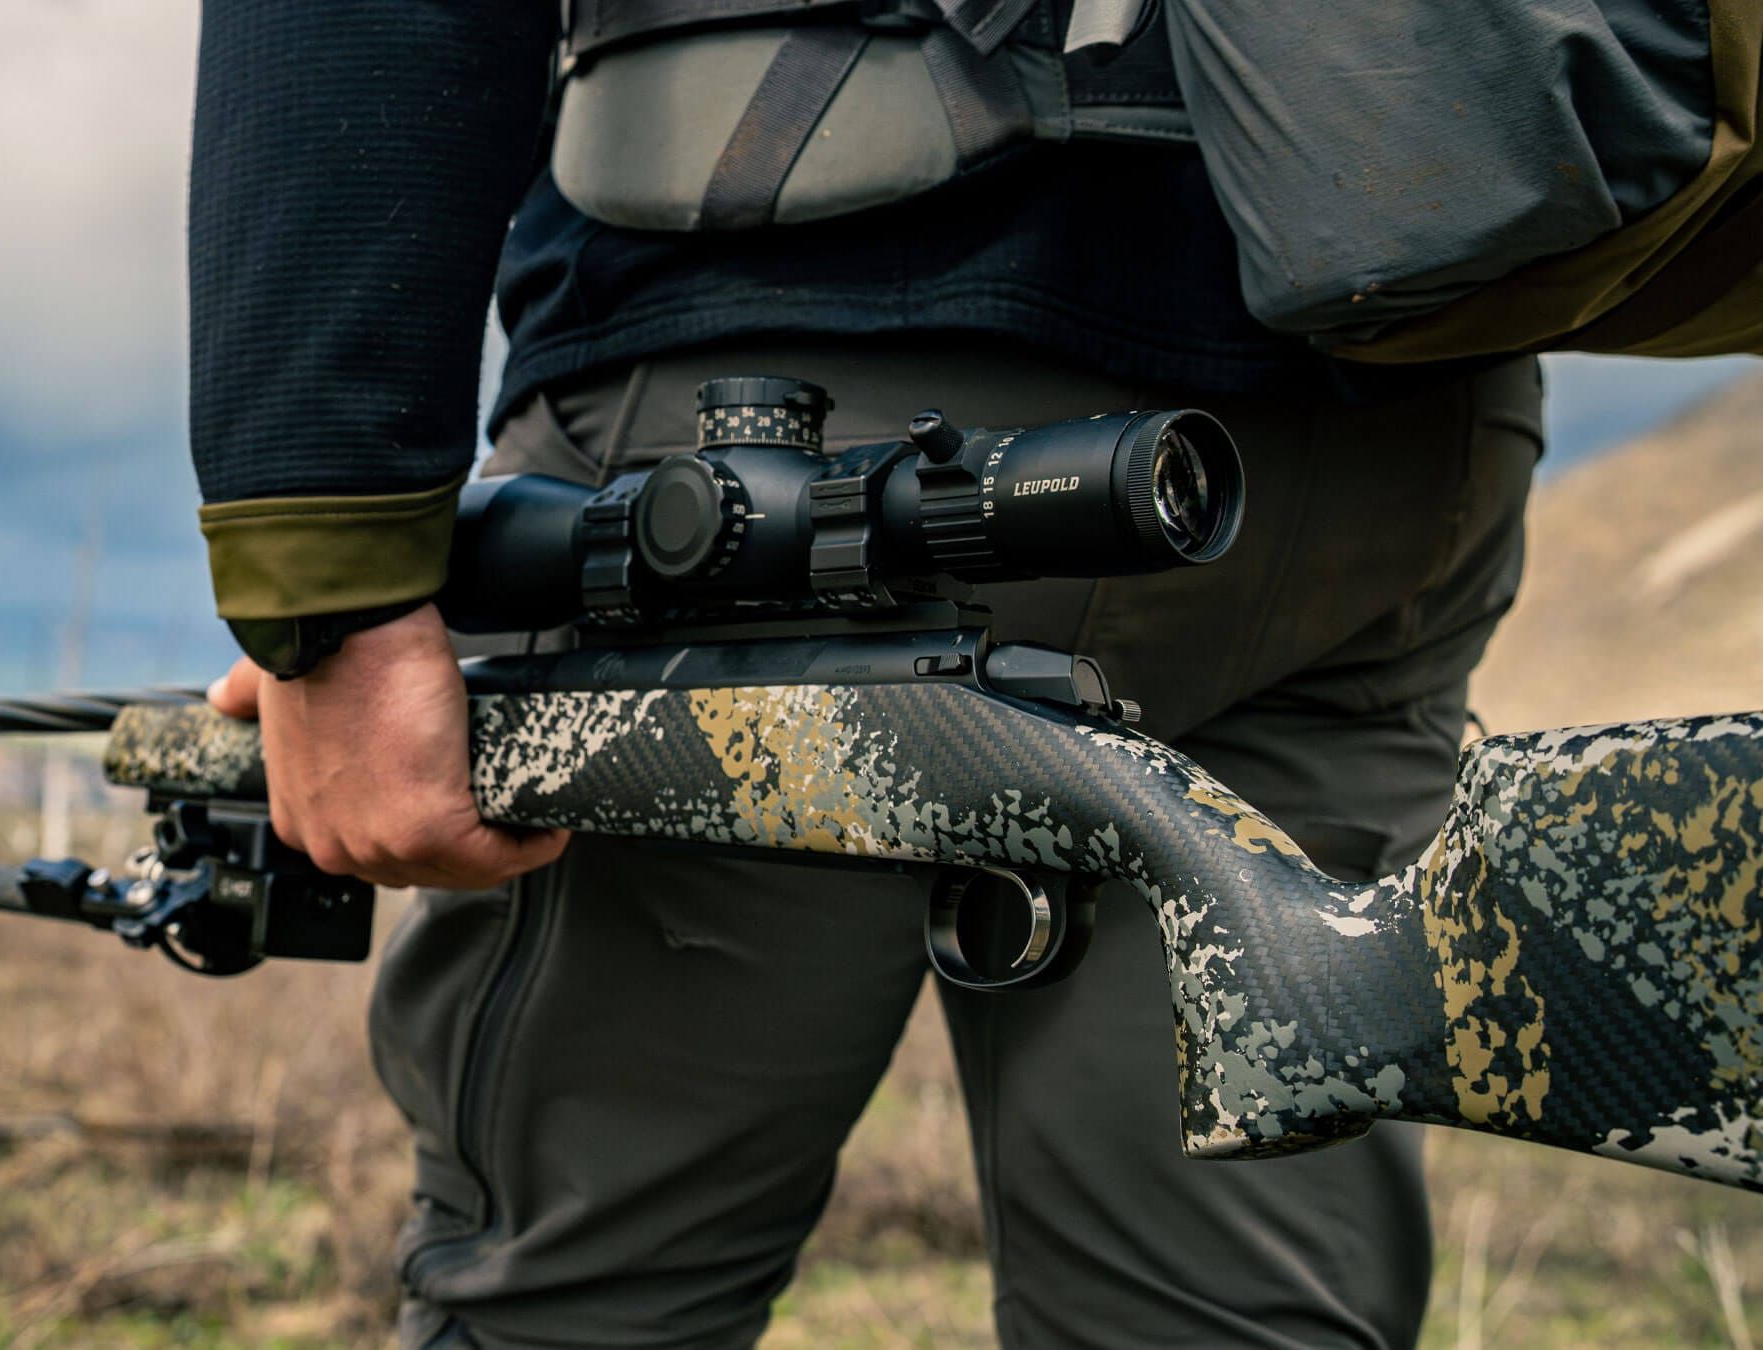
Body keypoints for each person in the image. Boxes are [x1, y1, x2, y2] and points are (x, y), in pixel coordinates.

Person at [189, 4, 1540, 1345]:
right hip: (1395, 401)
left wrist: (330, 572)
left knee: (575, 1302)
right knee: (1236, 1320)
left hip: (798, 363)